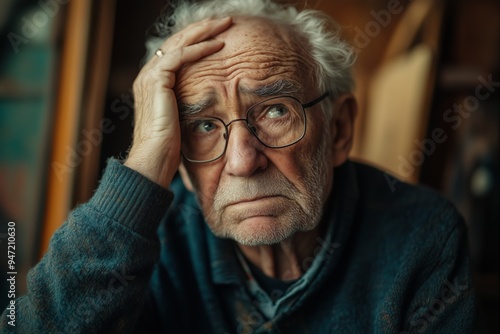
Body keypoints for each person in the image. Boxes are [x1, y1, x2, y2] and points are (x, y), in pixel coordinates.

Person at [1, 0, 479, 332]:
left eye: (275, 111)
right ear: (180, 160)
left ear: (338, 130)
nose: (242, 161)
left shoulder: (423, 237)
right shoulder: (143, 248)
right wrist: (145, 159)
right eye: (203, 126)